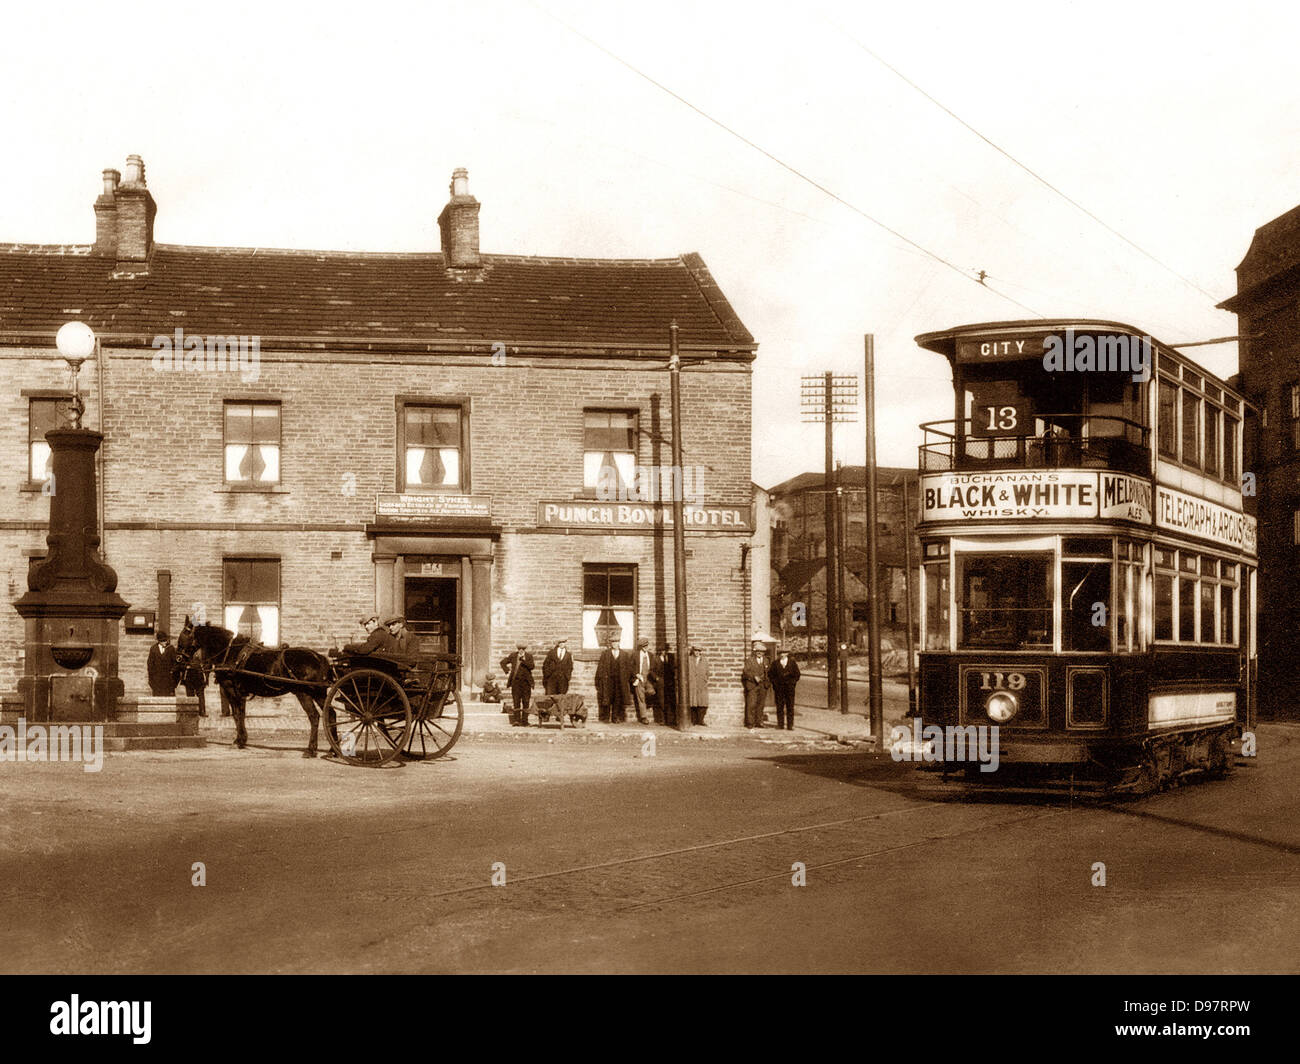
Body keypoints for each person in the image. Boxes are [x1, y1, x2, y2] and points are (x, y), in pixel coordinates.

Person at [595, 639, 632, 723]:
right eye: (613, 642)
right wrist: (599, 680)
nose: (615, 644)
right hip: (608, 680)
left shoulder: (624, 654)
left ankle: (615, 717)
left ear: (619, 643)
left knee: (617, 699)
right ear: (611, 644)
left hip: (619, 681)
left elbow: (628, 669)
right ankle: (606, 717)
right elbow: (600, 667)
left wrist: (626, 679)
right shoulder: (605, 654)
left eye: (616, 642)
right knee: (607, 698)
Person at [501, 643, 535, 726]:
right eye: (519, 649)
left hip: (526, 683)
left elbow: (532, 666)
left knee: (526, 702)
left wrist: (523, 661)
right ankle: (517, 720)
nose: (521, 651)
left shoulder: (529, 656)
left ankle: (525, 721)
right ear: (518, 649)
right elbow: (502, 662)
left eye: (522, 649)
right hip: (515, 682)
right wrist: (506, 670)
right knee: (516, 701)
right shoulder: (513, 655)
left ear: (524, 650)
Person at [768, 648, 801, 731]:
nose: (782, 655)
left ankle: (790, 725)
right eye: (780, 653)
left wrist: (792, 683)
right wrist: (775, 684)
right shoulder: (775, 663)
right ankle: (780, 724)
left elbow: (797, 674)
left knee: (790, 706)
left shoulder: (792, 663)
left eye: (784, 653)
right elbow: (771, 675)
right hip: (779, 689)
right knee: (779, 706)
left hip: (789, 688)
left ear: (787, 654)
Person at [741, 639, 770, 729]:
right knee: (751, 704)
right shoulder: (749, 660)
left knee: (761, 704)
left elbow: (769, 672)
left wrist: (767, 682)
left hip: (763, 685)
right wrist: (754, 677)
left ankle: (759, 722)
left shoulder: (766, 661)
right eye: (757, 651)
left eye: (761, 651)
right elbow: (746, 672)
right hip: (752, 685)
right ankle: (750, 723)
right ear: (755, 651)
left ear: (764, 652)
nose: (759, 653)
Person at [651, 645, 678, 727]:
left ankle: (671, 720)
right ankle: (662, 719)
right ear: (659, 651)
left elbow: (676, 668)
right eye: (662, 650)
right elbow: (652, 670)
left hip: (670, 682)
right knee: (661, 700)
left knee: (671, 701)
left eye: (665, 650)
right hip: (661, 682)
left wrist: (675, 677)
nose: (663, 652)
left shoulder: (671, 657)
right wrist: (656, 678)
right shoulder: (655, 658)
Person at [147, 631, 179, 697]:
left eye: (165, 640)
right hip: (157, 681)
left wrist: (172, 674)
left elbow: (175, 664)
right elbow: (150, 665)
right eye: (163, 641)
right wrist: (152, 680)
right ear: (159, 641)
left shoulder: (171, 648)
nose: (165, 642)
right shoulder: (153, 649)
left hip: (168, 682)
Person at [631, 637, 654, 725]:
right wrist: (636, 674)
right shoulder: (635, 655)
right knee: (641, 698)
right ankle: (644, 717)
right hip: (639, 678)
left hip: (648, 679)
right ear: (641, 647)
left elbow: (653, 668)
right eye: (643, 646)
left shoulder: (651, 655)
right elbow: (630, 667)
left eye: (646, 646)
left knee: (651, 692)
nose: (645, 648)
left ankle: (648, 704)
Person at [688, 645, 710, 726]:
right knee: (693, 702)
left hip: (701, 684)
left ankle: (701, 720)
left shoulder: (704, 661)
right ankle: (693, 720)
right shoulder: (689, 660)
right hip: (692, 684)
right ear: (693, 651)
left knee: (702, 702)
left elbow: (707, 672)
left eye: (699, 651)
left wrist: (705, 680)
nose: (697, 652)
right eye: (695, 650)